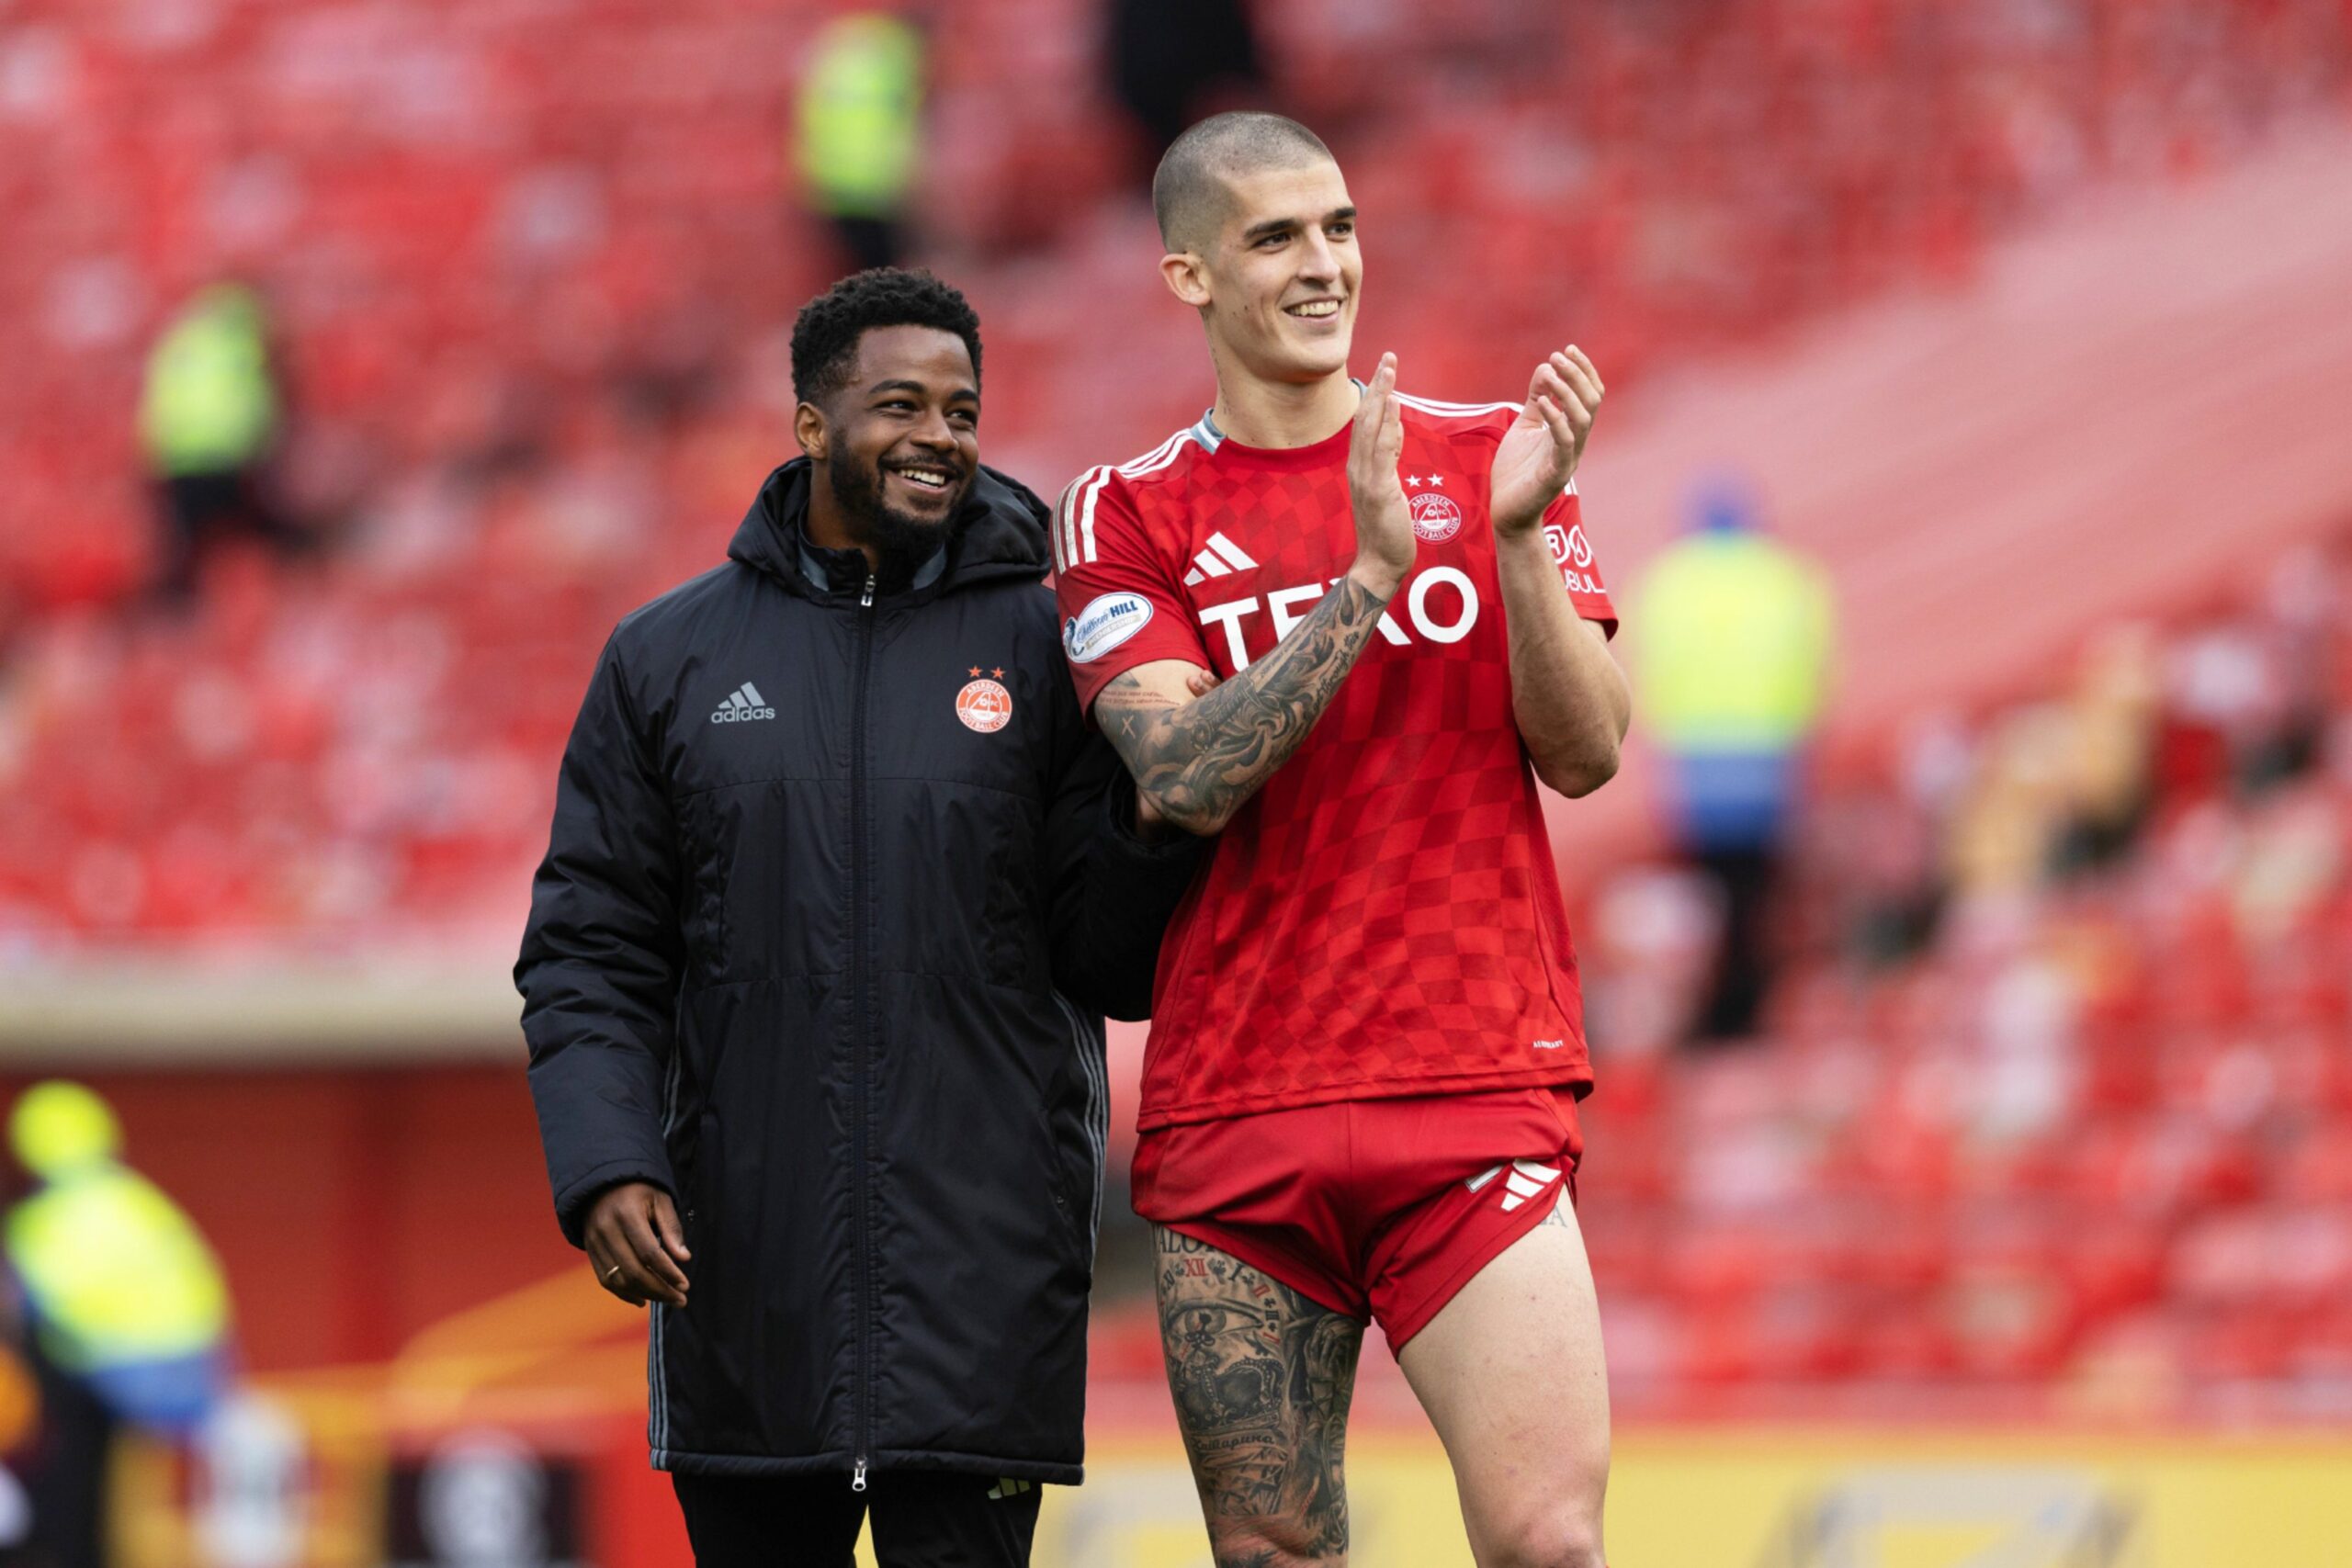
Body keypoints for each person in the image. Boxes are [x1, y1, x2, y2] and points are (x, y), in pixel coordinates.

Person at [516, 267, 1201, 1567]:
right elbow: (590, 947)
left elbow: (1112, 962)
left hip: (984, 1288)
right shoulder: (667, 660)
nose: (940, 435)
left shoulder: (1060, 641)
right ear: (812, 423)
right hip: (744, 1290)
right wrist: (605, 1159)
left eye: (962, 408)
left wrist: (1154, 826)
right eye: (901, 403)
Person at [1052, 113, 1627, 1568]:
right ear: (1187, 275)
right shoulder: (1123, 512)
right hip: (1240, 1109)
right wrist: (1370, 575)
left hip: (1472, 1086)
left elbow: (1590, 750)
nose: (1325, 266)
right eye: (1275, 237)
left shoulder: (1497, 456)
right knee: (1273, 1557)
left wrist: (1508, 544)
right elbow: (1178, 772)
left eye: (1341, 227)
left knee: (1551, 1542)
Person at [1632, 481, 1833, 1041]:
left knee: (1708, 898)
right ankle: (1752, 1007)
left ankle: (1714, 1013)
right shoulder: (1786, 578)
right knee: (1756, 896)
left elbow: (1651, 673)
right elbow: (1812, 670)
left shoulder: (1669, 581)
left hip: (1697, 763)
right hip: (1767, 759)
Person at [3, 1081, 232, 1568]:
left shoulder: (39, 1223)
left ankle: (61, 1550)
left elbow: (28, 1319)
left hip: (113, 1386)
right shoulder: (142, 1203)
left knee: (64, 1452)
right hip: (195, 1379)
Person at [138, 282, 304, 603]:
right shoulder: (243, 344)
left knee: (187, 554)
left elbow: (157, 404)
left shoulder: (180, 340)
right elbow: (258, 403)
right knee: (261, 539)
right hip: (229, 456)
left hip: (178, 459)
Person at [794, 12, 925, 275]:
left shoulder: (843, 54)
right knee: (883, 274)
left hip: (834, 185)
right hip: (878, 190)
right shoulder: (899, 61)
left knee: (863, 275)